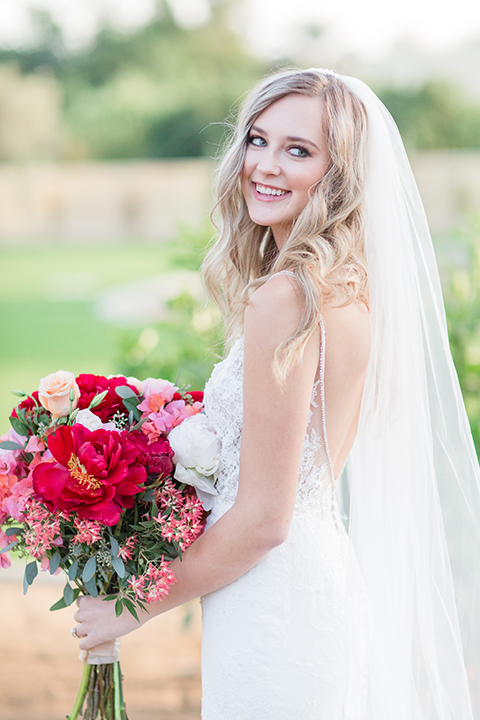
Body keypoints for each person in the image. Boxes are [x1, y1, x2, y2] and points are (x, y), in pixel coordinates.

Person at [72, 69, 480, 719]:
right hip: (311, 588)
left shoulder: (286, 298)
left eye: (298, 150)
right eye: (257, 140)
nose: (264, 164)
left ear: (339, 176)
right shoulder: (347, 293)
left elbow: (265, 518)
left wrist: (135, 605)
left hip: (272, 604)